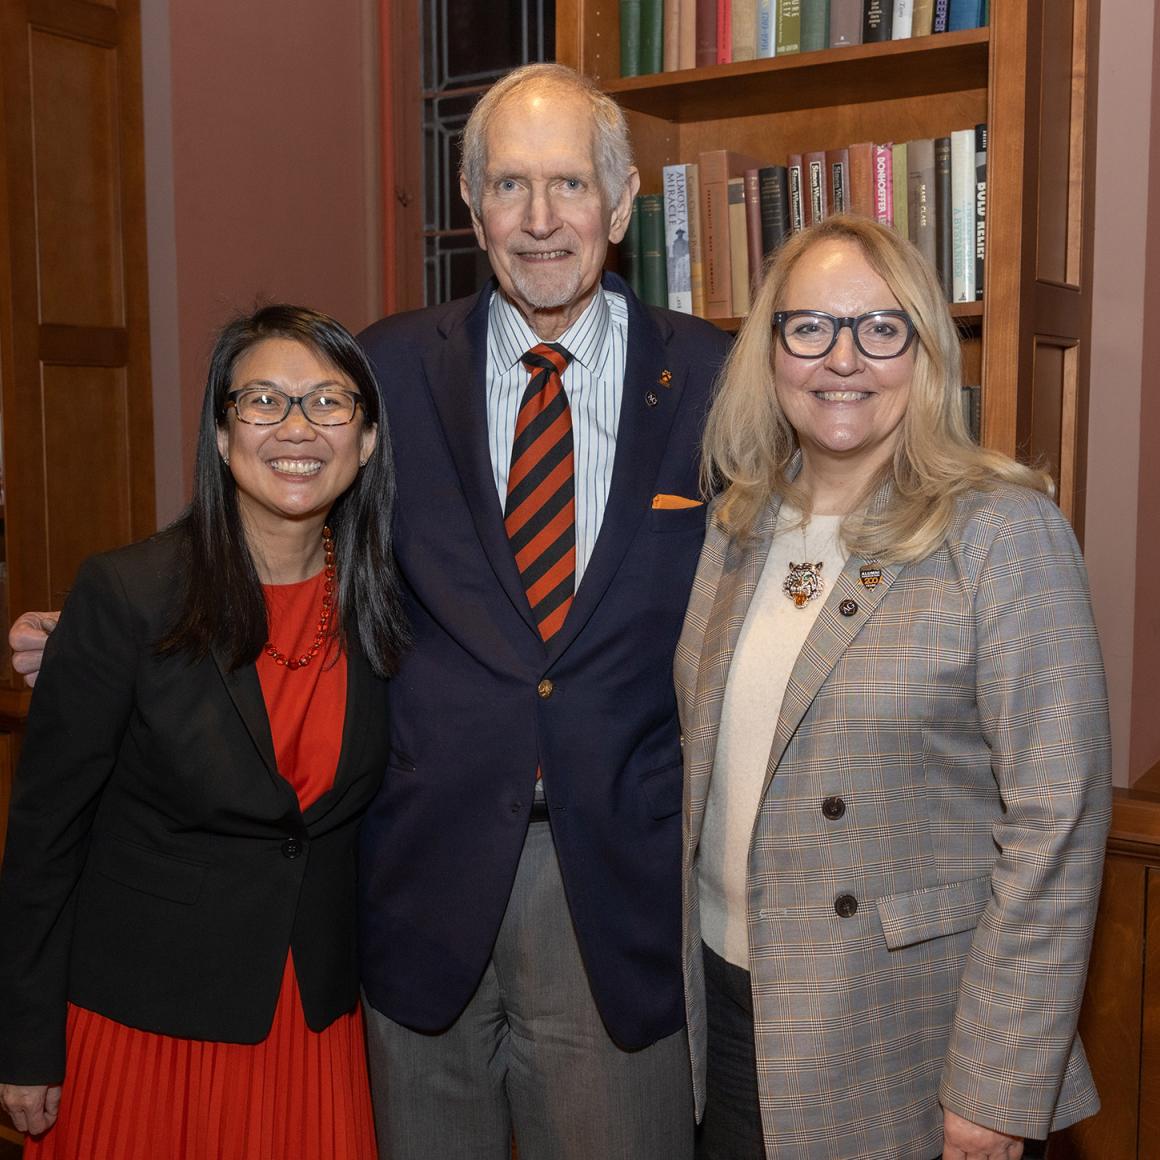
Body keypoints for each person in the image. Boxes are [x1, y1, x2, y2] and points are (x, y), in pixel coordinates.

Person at [675, 214, 1112, 1160]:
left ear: (922, 349)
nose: (843, 359)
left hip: (902, 1031)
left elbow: (1059, 820)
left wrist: (997, 1086)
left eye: (881, 328)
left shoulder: (1000, 532)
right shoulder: (737, 526)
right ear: (771, 350)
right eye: (811, 327)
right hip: (727, 1007)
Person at [0, 305, 408, 1159]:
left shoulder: (385, 608)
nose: (297, 428)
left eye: (329, 403)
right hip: (147, 1030)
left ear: (365, 441)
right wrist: (24, 1043)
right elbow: (44, 841)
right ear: (222, 435)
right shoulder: (128, 597)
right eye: (262, 400)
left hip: (310, 1023)